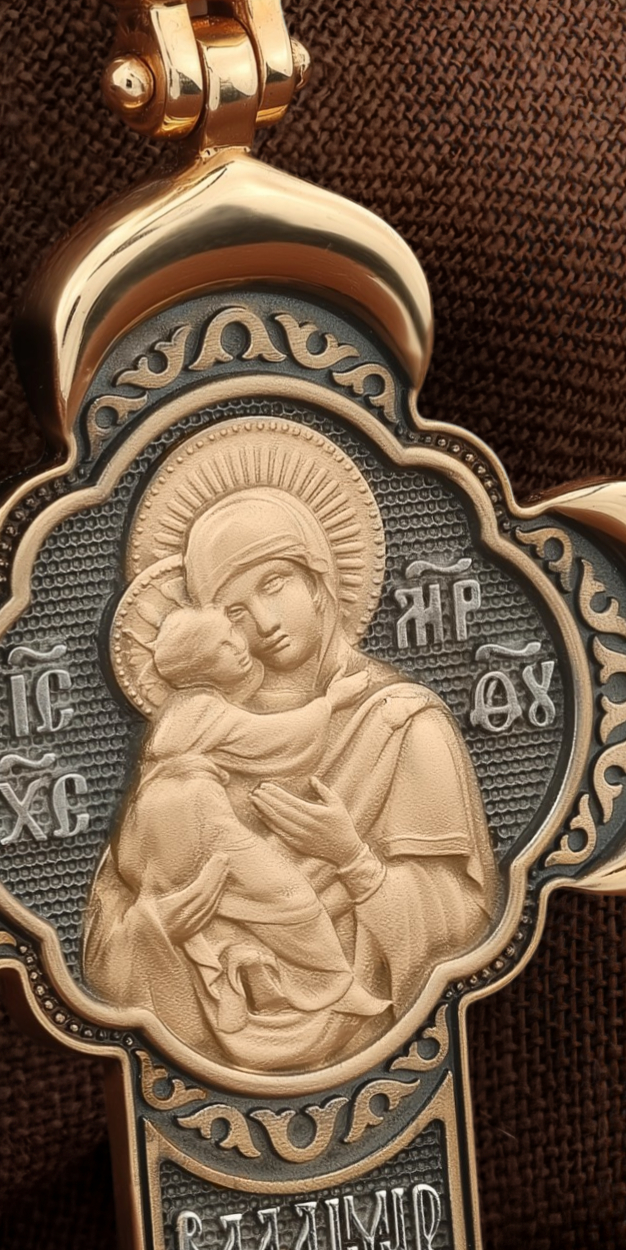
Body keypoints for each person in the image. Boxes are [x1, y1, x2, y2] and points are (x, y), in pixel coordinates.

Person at [86, 441, 495, 1073]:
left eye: (274, 584)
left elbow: (463, 924)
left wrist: (352, 859)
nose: (263, 621)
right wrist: (159, 925)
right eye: (235, 610)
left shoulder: (400, 724)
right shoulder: (194, 732)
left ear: (319, 578)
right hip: (196, 1044)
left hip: (379, 1042)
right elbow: (111, 930)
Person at [127, 602, 390, 1039]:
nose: (240, 646)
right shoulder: (202, 709)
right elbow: (274, 740)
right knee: (290, 896)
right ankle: (334, 985)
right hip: (194, 817)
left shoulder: (187, 709)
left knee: (222, 905)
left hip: (156, 826)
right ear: (199, 665)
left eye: (234, 635)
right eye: (224, 645)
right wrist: (329, 703)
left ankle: (236, 976)